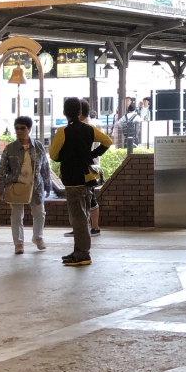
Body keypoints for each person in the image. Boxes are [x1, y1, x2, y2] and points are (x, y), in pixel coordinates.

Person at [49, 97, 111, 267]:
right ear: (79, 112)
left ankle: (82, 253)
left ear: (64, 113)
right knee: (83, 215)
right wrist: (92, 154)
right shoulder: (89, 129)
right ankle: (79, 250)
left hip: (72, 179)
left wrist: (65, 157)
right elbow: (108, 141)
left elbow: (53, 155)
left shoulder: (63, 131)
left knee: (78, 217)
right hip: (87, 178)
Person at [0, 115, 51, 254]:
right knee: (16, 215)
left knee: (40, 213)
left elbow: (45, 167)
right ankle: (18, 243)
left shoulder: (38, 147)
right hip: (16, 186)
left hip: (36, 186)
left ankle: (38, 237)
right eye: (17, 128)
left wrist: (47, 185)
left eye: (22, 128)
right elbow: (2, 170)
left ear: (29, 129)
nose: (19, 131)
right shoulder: (10, 149)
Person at [80, 99, 108, 236]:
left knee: (90, 197)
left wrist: (91, 154)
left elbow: (107, 141)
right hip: (92, 165)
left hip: (89, 167)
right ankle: (85, 226)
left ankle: (95, 227)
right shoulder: (92, 125)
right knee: (86, 197)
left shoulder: (87, 128)